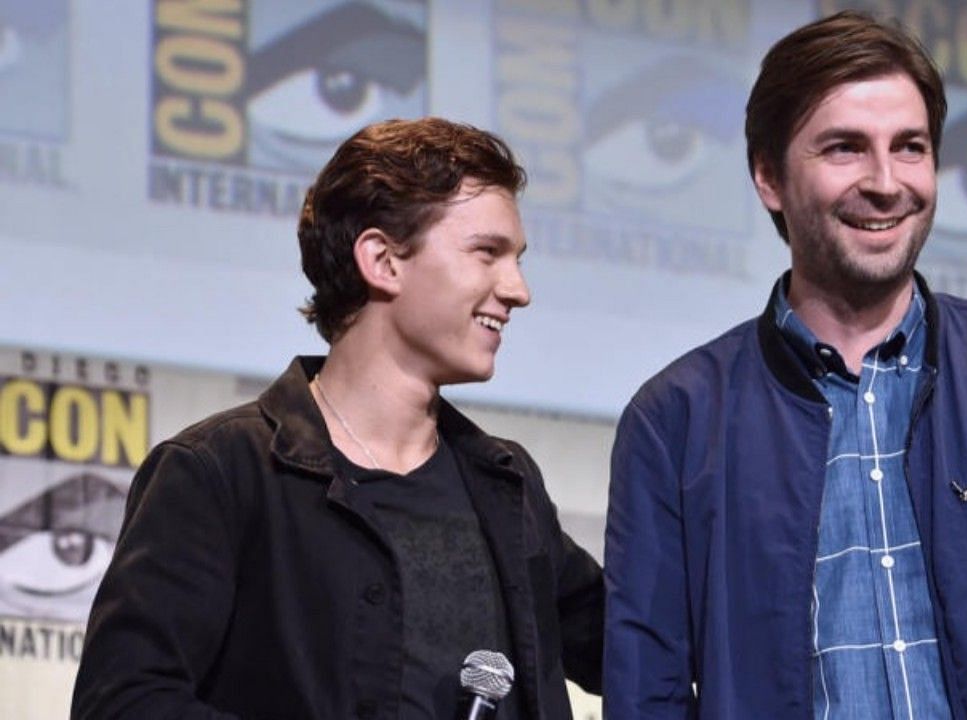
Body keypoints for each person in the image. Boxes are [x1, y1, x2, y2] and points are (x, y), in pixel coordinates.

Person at [603, 11, 967, 720]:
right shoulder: (676, 420)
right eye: (845, 149)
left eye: (909, 148)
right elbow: (647, 696)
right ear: (769, 178)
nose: (886, 183)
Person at [72, 118, 603, 720]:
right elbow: (123, 702)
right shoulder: (220, 473)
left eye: (517, 259)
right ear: (382, 260)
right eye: (487, 253)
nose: (518, 289)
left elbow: (633, 641)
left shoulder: (507, 485)